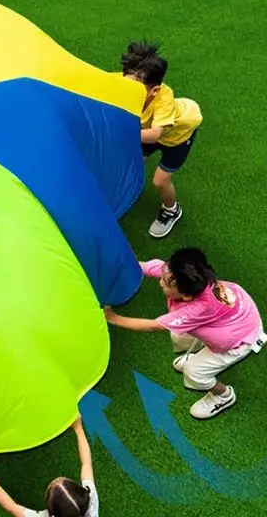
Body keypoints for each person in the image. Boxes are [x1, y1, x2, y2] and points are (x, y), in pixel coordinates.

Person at [105, 248, 265, 420]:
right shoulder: (180, 273)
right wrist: (124, 265)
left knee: (193, 372)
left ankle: (223, 395)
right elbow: (149, 267)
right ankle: (199, 355)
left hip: (239, 341)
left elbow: (153, 326)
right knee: (178, 336)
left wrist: (113, 318)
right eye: (164, 276)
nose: (161, 282)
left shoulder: (196, 309)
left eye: (166, 284)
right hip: (235, 317)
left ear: (186, 296)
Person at [121, 41, 202, 238]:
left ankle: (171, 210)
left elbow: (155, 134)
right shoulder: (130, 85)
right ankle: (128, 187)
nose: (128, 90)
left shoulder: (164, 99)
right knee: (134, 160)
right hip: (146, 130)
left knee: (160, 180)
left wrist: (121, 131)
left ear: (154, 90)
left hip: (177, 138)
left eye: (136, 89)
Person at [0, 416, 97, 516]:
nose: (57, 479)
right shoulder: (91, 502)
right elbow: (86, 465)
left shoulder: (89, 500)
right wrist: (79, 429)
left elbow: (12, 507)